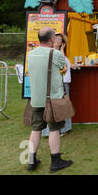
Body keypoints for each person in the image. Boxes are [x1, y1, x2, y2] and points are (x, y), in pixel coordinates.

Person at [26, 27, 73, 173]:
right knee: (54, 129)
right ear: (52, 38)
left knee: (36, 129)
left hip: (36, 99)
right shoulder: (56, 54)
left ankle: (31, 161)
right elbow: (64, 69)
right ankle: (55, 161)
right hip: (53, 99)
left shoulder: (31, 54)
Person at [41, 33, 76, 137]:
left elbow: (65, 65)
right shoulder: (51, 52)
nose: (58, 41)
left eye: (60, 39)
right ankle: (51, 130)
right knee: (52, 106)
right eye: (56, 39)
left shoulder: (61, 53)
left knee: (64, 106)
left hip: (63, 82)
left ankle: (64, 128)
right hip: (54, 83)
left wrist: (72, 65)